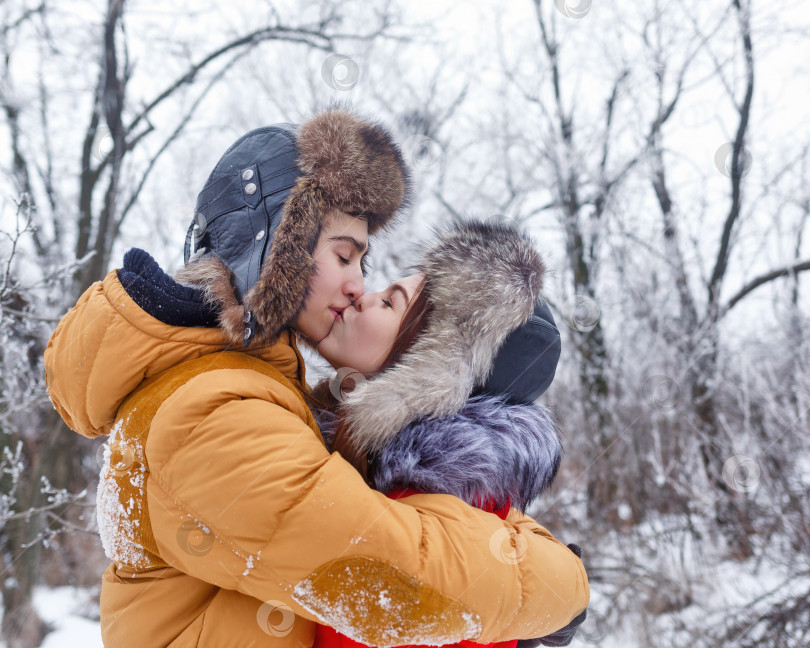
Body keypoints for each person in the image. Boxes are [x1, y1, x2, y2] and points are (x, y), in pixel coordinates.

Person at [44, 107, 589, 647]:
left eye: (363, 266)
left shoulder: (258, 389)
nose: (358, 286)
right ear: (278, 246)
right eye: (345, 255)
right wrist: (559, 585)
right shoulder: (207, 410)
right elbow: (383, 573)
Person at [309, 219, 585, 648]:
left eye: (388, 303)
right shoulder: (406, 486)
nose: (362, 296)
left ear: (433, 367)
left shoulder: (426, 522)